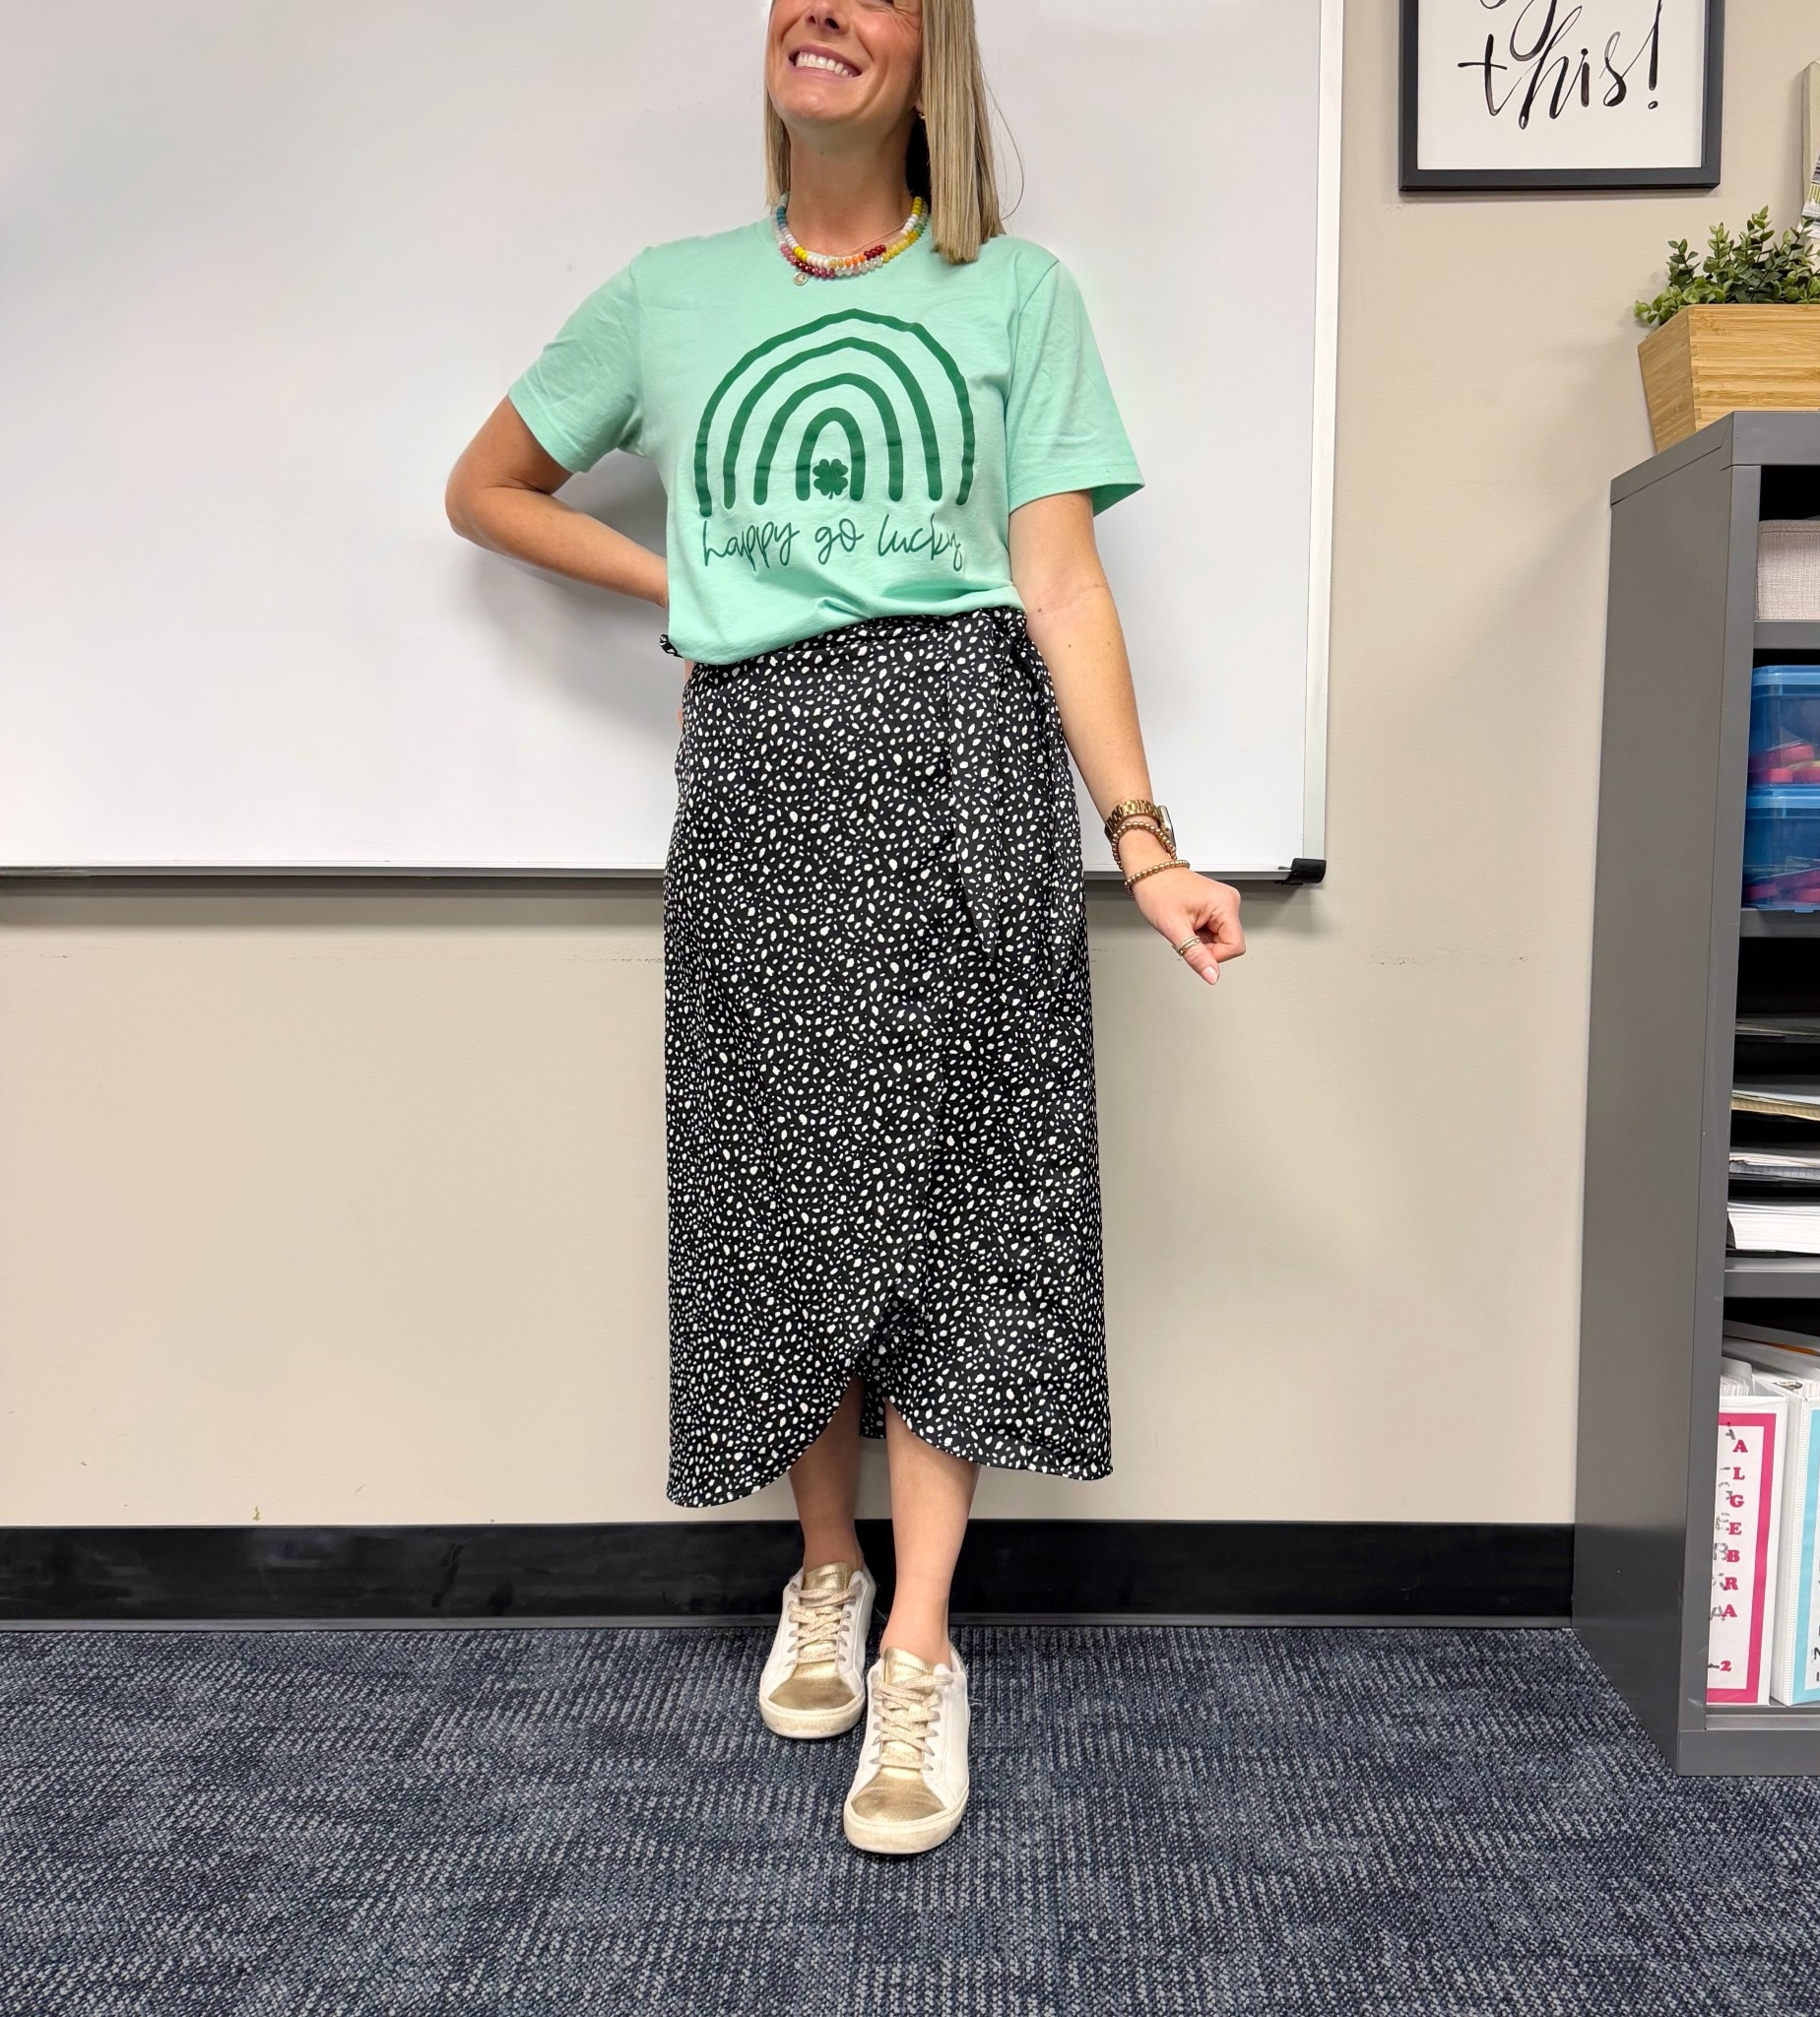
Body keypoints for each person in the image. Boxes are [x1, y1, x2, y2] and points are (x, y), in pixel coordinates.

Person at [443, 0, 1244, 1856]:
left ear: (925, 50)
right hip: (762, 771)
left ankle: (921, 1642)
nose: (824, 9)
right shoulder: (667, 294)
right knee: (783, 1181)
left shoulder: (1016, 293)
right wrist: (694, 583)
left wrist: (1143, 841)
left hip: (964, 758)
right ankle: (824, 1565)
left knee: (960, 1187)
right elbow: (486, 492)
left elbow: (1062, 581)